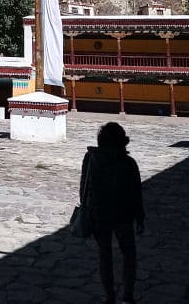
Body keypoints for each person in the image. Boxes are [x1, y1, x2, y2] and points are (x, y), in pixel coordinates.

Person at [80, 122, 144, 304]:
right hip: (124, 215)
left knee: (104, 256)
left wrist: (86, 208)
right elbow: (135, 192)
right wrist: (140, 216)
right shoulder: (128, 163)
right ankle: (128, 295)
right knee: (129, 255)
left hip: (99, 215)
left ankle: (109, 297)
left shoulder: (90, 159)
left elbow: (83, 187)